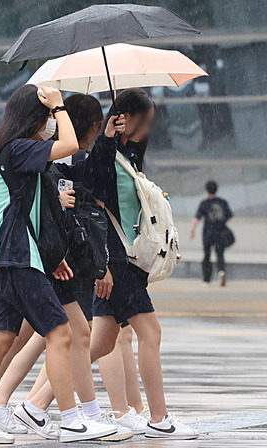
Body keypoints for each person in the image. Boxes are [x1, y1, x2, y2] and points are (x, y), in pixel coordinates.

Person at [0, 85, 115, 444]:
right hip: (17, 260)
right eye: (47, 119)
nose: (52, 125)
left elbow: (35, 211)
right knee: (60, 333)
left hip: (11, 260)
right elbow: (71, 145)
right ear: (34, 118)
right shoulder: (18, 148)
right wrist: (59, 106)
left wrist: (52, 256)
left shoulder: (10, 150)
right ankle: (71, 420)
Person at [85, 88, 198, 439]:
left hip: (123, 263)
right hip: (117, 262)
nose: (148, 129)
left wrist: (120, 140)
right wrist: (108, 135)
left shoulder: (125, 155)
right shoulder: (105, 155)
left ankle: (36, 404)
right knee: (151, 333)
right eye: (145, 121)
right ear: (125, 118)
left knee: (99, 344)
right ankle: (160, 420)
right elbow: (93, 184)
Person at [190, 180, 233, 286]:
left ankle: (207, 279)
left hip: (208, 233)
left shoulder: (204, 203)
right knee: (220, 254)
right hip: (220, 233)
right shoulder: (223, 202)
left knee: (207, 256)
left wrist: (193, 229)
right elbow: (228, 217)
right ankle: (221, 272)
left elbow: (197, 218)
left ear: (207, 190)